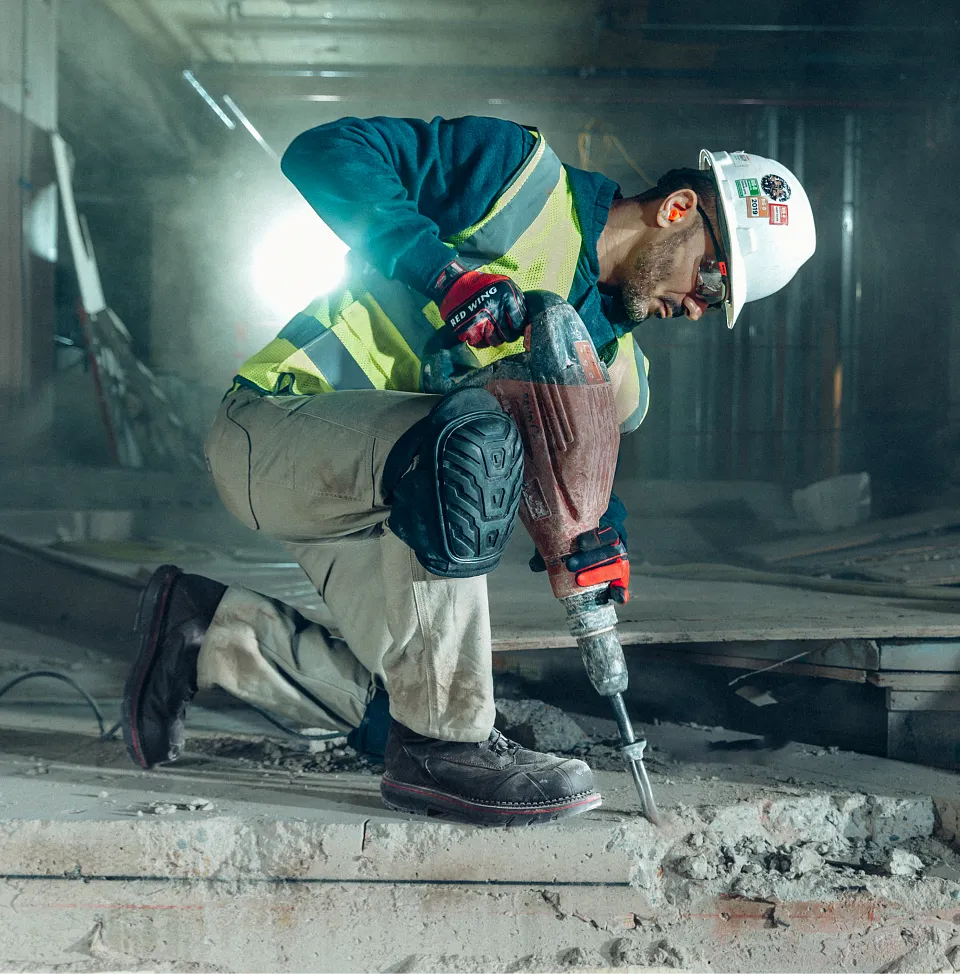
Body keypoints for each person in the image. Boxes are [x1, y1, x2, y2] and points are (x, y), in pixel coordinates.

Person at [121, 116, 816, 826]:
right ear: (677, 211)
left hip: (387, 506)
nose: (700, 308)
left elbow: (570, 466)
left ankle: (209, 626)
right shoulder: (517, 181)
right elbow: (320, 152)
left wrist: (599, 532)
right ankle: (445, 750)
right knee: (473, 446)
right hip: (276, 432)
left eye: (719, 304)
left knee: (402, 706)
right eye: (712, 277)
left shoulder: (611, 367)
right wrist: (444, 275)